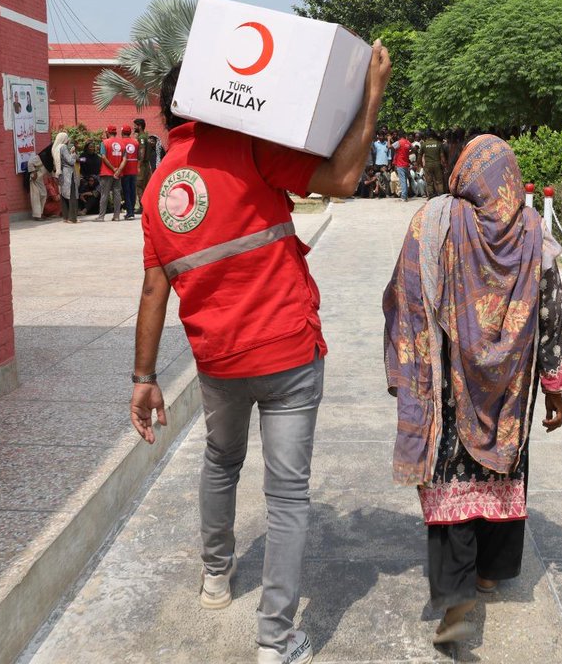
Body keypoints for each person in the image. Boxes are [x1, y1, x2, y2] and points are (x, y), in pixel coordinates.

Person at [129, 42, 391, 664]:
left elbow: (152, 288)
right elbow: (346, 180)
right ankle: (276, 641)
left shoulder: (159, 189)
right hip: (289, 354)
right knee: (287, 495)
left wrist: (144, 377)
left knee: (221, 462)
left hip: (218, 361)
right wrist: (373, 91)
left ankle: (215, 577)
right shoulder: (247, 148)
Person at [383, 135, 562, 645]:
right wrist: (554, 386)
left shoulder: (435, 223)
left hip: (451, 383)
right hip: (511, 391)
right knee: (504, 464)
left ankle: (456, 598)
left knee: (451, 476)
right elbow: (551, 312)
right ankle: (489, 572)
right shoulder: (534, 231)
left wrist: (405, 368)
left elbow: (406, 293)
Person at [97, 126, 124, 222]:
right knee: (117, 194)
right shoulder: (122, 143)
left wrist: (113, 168)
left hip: (106, 172)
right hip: (118, 174)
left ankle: (101, 217)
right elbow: (125, 159)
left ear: (108, 133)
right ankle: (116, 216)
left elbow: (103, 157)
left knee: (104, 194)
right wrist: (118, 170)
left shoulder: (104, 143)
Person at [53, 131, 79, 224]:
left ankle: (66, 217)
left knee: (64, 195)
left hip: (61, 173)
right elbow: (71, 161)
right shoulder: (63, 147)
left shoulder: (56, 148)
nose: (68, 140)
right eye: (67, 138)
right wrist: (73, 153)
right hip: (68, 173)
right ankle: (72, 218)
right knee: (71, 195)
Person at [137, 118, 158, 212]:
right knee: (145, 185)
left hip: (142, 165)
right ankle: (147, 206)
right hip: (147, 164)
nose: (134, 127)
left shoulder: (141, 137)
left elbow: (142, 150)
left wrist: (138, 164)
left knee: (139, 185)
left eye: (135, 125)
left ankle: (142, 207)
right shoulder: (146, 136)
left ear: (139, 126)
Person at [120, 123, 140, 221]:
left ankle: (130, 212)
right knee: (133, 191)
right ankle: (131, 211)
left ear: (122, 132)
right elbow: (139, 155)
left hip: (125, 169)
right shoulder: (136, 142)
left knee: (126, 191)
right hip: (134, 168)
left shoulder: (120, 142)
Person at [421, 131, 446, 197]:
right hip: (437, 164)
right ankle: (441, 195)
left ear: (427, 136)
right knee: (439, 181)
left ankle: (431, 195)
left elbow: (419, 156)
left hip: (428, 165)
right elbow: (442, 156)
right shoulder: (439, 144)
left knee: (429, 182)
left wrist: (419, 165)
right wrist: (444, 164)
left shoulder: (424, 144)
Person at [391, 131, 412, 202]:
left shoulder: (399, 142)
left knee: (402, 181)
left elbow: (389, 147)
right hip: (406, 164)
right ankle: (405, 195)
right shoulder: (408, 142)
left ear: (399, 136)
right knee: (405, 181)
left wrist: (388, 139)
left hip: (400, 164)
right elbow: (413, 148)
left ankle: (404, 197)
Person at [27, 149, 47, 220]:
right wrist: (34, 172)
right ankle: (37, 216)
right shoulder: (42, 156)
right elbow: (30, 162)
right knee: (35, 196)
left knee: (44, 194)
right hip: (34, 178)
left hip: (40, 179)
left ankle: (40, 213)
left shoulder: (50, 160)